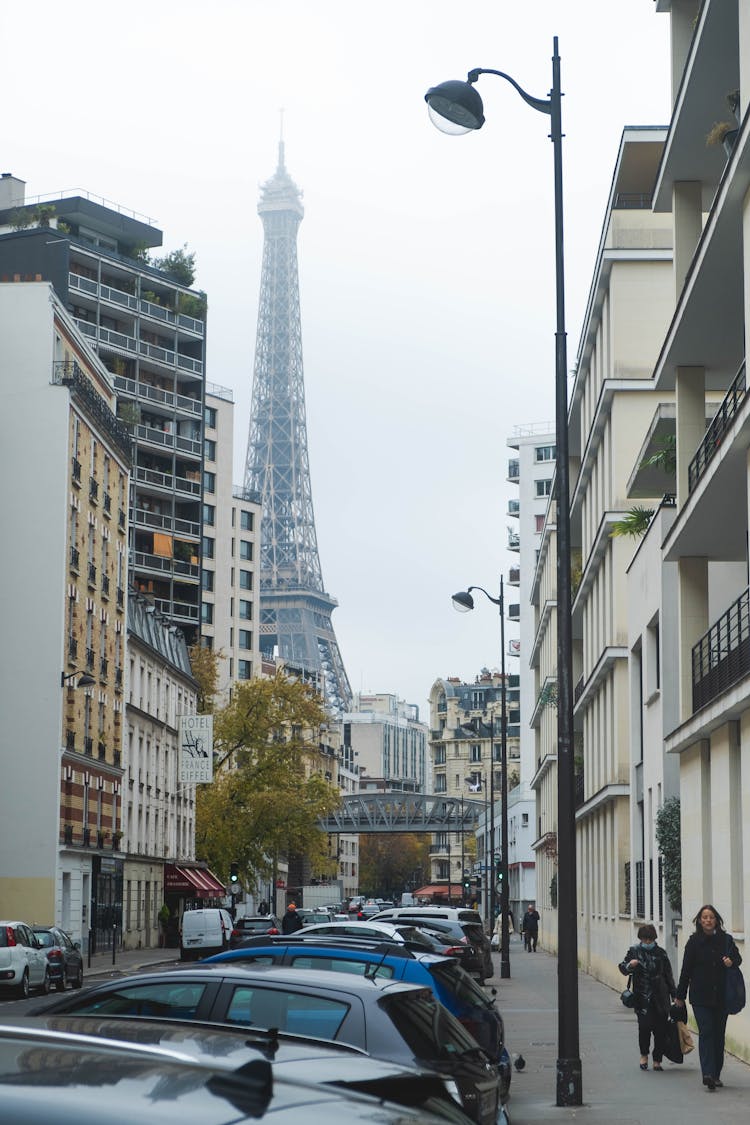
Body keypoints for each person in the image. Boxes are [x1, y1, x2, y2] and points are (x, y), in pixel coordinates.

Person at [674, 903, 742, 1091]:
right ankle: (708, 1074)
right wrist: (680, 996)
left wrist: (731, 962)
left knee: (718, 1035)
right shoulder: (694, 942)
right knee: (706, 1032)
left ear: (716, 920)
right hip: (700, 996)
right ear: (699, 921)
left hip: (722, 996)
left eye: (711, 917)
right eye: (704, 917)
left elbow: (738, 959)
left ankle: (716, 1074)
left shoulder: (726, 940)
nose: (708, 920)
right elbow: (686, 970)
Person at [618, 923, 676, 1072]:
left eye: (650, 939)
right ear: (641, 939)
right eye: (645, 939)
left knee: (660, 1030)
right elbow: (623, 968)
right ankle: (644, 1055)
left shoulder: (661, 953)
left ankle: (657, 1060)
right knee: (644, 1028)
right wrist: (630, 965)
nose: (648, 942)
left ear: (654, 939)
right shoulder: (634, 951)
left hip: (661, 997)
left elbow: (668, 976)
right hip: (642, 996)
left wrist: (675, 996)